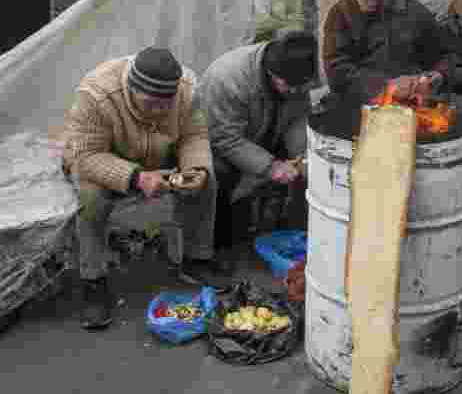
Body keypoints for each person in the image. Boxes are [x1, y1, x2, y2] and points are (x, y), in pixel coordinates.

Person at [64, 47, 222, 331]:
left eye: (167, 103)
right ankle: (93, 280)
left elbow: (194, 135)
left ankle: (197, 259)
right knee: (91, 199)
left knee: (206, 180)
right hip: (105, 157)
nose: (161, 111)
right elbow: (85, 156)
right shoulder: (96, 94)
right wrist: (136, 177)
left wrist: (196, 169)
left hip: (156, 154)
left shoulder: (187, 89)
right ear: (131, 88)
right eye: (151, 104)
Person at [199, 30, 317, 251]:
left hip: (261, 134)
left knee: (304, 167)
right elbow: (224, 137)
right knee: (219, 173)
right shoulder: (227, 78)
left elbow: (297, 119)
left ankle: (282, 227)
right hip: (215, 142)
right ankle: (214, 245)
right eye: (288, 85)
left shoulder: (295, 73)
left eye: (299, 87)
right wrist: (270, 166)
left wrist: (301, 156)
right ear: (270, 72)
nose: (294, 91)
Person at [322, 0, 459, 104]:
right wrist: (387, 86)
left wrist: (439, 75)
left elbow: (443, 54)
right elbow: (336, 71)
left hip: (413, 103)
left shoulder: (415, 11)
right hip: (362, 106)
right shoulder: (342, 13)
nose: (385, 1)